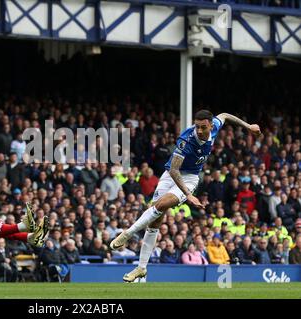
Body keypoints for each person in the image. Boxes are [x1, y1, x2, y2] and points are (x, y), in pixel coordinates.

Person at [111, 110, 261, 282]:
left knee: (160, 206)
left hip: (190, 178)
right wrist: (188, 195)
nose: (199, 130)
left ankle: (128, 234)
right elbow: (174, 170)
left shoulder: (215, 127)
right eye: (197, 127)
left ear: (211, 125)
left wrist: (248, 126)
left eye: (203, 127)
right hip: (172, 175)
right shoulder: (186, 140)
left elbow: (225, 115)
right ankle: (141, 268)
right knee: (155, 221)